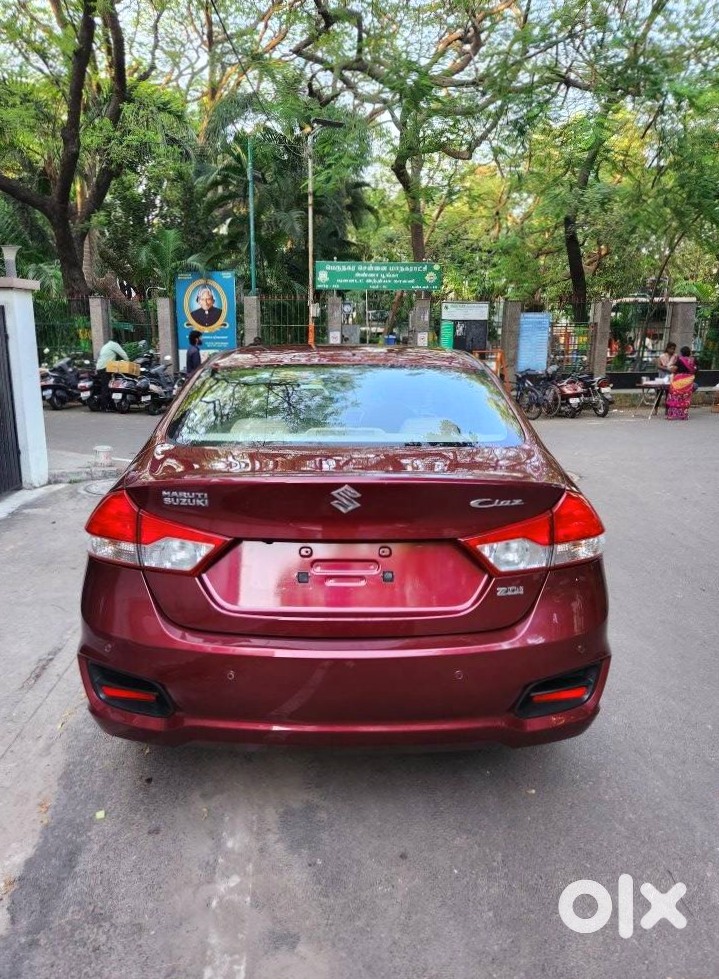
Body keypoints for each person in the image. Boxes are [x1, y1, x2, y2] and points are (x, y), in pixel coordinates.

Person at [96, 337, 129, 410]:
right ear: (117, 342)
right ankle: (104, 406)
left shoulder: (106, 345)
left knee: (107, 386)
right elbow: (123, 354)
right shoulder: (114, 344)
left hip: (99, 367)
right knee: (107, 387)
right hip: (105, 368)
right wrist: (129, 362)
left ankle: (111, 405)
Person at [666, 346, 697, 420]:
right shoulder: (693, 360)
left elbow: (674, 369)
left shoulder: (680, 359)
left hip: (679, 381)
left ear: (681, 353)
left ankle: (672, 415)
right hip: (689, 381)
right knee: (685, 398)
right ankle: (683, 415)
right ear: (689, 353)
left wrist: (670, 368)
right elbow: (696, 370)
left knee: (675, 397)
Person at [653, 341, 677, 414]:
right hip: (662, 377)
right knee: (659, 394)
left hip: (671, 377)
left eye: (674, 349)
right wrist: (667, 369)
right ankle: (655, 409)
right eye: (671, 349)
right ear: (668, 348)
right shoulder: (662, 356)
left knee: (668, 394)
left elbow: (676, 365)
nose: (672, 350)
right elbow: (658, 366)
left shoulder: (675, 357)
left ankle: (667, 409)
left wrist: (673, 368)